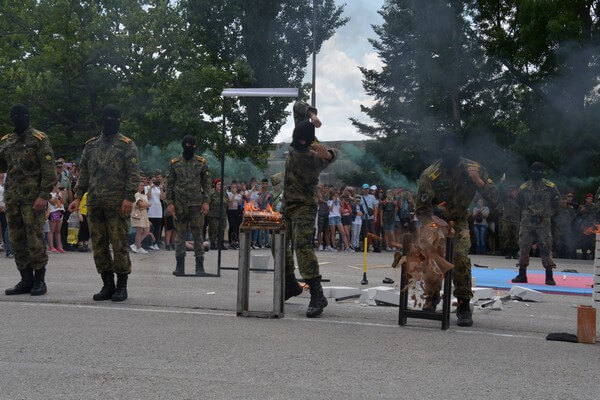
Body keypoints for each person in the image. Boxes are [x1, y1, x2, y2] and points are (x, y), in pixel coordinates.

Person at [415, 131, 499, 327]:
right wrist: (433, 225)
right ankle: (432, 297)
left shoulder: (474, 168)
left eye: (452, 148)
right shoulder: (430, 174)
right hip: (436, 222)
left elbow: (495, 198)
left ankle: (463, 304)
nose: (448, 151)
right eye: (444, 148)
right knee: (432, 257)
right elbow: (421, 209)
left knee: (460, 257)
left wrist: (478, 180)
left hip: (460, 222)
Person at [70, 104, 140, 302]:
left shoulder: (127, 144)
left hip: (118, 204)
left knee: (119, 245)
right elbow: (83, 172)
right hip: (94, 203)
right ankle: (107, 284)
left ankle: (122, 286)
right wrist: (77, 196)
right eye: (109, 118)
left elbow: (133, 174)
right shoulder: (91, 145)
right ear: (102, 119)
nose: (112, 122)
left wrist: (128, 197)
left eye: (116, 119)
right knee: (99, 246)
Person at [282, 120, 337, 318]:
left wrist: (328, 155)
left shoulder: (313, 159)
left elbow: (334, 153)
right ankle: (290, 285)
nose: (297, 143)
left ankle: (317, 294)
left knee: (302, 247)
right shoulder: (297, 144)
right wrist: (312, 115)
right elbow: (299, 106)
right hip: (287, 205)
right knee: (276, 243)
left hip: (305, 206)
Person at [1, 103, 57, 296]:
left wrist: (43, 196)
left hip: (32, 200)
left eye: (22, 114)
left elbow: (49, 172)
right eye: (14, 115)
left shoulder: (39, 139)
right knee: (16, 240)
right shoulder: (7, 140)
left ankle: (39, 280)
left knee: (34, 240)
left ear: (28, 116)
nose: (18, 118)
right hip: (12, 198)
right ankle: (26, 279)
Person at [166, 135, 211, 276]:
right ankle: (180, 266)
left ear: (194, 146)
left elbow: (207, 184)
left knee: (198, 234)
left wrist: (206, 201)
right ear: (182, 145)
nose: (188, 147)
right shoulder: (175, 163)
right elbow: (169, 184)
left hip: (196, 204)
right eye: (186, 144)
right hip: (179, 205)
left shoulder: (201, 163)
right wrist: (170, 203)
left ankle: (200, 267)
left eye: (191, 144)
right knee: (180, 235)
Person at [511, 162, 560, 285]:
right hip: (527, 223)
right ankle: (522, 275)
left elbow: (557, 204)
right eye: (533, 171)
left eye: (539, 171)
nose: (536, 173)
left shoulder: (550, 187)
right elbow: (519, 204)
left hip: (543, 224)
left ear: (543, 172)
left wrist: (547, 215)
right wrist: (526, 216)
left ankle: (549, 276)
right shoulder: (524, 187)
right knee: (523, 248)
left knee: (546, 249)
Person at [498, 182, 520, 259]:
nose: (511, 192)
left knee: (516, 238)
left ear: (516, 191)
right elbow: (501, 192)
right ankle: (508, 252)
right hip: (506, 221)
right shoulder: (505, 198)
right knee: (507, 237)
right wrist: (501, 183)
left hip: (516, 221)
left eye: (513, 190)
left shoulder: (519, 200)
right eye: (510, 190)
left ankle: (515, 252)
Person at [130, 182, 153, 254]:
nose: (142, 186)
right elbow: (141, 205)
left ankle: (135, 244)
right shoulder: (136, 194)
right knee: (139, 231)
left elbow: (147, 199)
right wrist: (148, 204)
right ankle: (139, 247)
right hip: (138, 214)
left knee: (147, 231)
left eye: (143, 185)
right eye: (140, 185)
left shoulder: (143, 195)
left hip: (144, 214)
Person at [145, 176, 165, 250]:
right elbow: (148, 197)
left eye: (155, 181)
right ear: (149, 181)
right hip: (151, 210)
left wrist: (161, 189)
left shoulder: (158, 188)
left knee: (158, 228)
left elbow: (162, 198)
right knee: (151, 228)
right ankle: (150, 243)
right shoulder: (147, 188)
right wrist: (150, 187)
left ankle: (156, 242)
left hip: (158, 210)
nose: (154, 182)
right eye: (152, 180)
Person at [208, 178, 228, 250]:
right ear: (215, 185)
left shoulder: (225, 194)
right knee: (214, 230)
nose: (220, 186)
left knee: (222, 230)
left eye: (221, 184)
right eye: (218, 184)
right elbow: (208, 203)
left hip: (223, 215)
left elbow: (227, 203)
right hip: (214, 215)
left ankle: (221, 244)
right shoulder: (212, 194)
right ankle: (213, 244)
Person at [361, 183, 380, 252]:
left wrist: (375, 217)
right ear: (362, 189)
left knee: (372, 232)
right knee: (364, 233)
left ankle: (376, 247)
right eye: (364, 189)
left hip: (370, 217)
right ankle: (365, 247)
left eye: (367, 189)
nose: (366, 190)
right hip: (363, 218)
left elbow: (375, 207)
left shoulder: (372, 197)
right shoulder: (361, 197)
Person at [576, 193, 597, 259]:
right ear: (586, 199)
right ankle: (584, 256)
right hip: (584, 227)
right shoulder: (582, 207)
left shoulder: (594, 207)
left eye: (591, 199)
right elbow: (576, 216)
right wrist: (580, 211)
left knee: (593, 243)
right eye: (588, 199)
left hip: (592, 227)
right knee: (584, 243)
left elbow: (597, 216)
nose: (590, 200)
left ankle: (593, 255)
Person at [48, 181, 66, 253]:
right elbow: (53, 202)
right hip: (53, 212)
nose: (60, 186)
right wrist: (57, 194)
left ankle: (59, 246)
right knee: (52, 230)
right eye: (58, 185)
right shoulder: (49, 194)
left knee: (58, 231)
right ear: (54, 186)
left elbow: (63, 202)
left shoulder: (60, 193)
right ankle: (51, 246)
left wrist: (63, 193)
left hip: (60, 211)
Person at [227, 181, 243, 250]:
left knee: (236, 226)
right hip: (230, 211)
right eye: (233, 187)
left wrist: (241, 196)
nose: (234, 188)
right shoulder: (228, 193)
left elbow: (239, 203)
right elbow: (230, 202)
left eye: (235, 187)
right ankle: (231, 241)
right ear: (231, 187)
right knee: (232, 226)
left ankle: (235, 241)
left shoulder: (239, 195)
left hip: (236, 211)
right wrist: (233, 194)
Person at [316, 184, 330, 251]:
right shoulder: (320, 194)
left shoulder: (329, 196)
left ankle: (327, 245)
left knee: (327, 231)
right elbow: (319, 199)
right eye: (325, 188)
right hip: (321, 214)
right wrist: (319, 188)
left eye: (327, 188)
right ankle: (320, 245)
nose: (326, 189)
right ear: (323, 188)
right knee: (320, 230)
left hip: (327, 214)